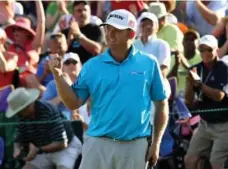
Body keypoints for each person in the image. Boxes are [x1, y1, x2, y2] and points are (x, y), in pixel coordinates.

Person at [49, 9, 169, 169]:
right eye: (107, 29)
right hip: (97, 144)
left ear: (131, 34)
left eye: (117, 30)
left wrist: (156, 143)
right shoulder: (92, 65)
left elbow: (161, 104)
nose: (110, 34)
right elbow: (73, 102)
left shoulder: (149, 63)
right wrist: (58, 76)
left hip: (135, 145)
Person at [6, 87, 82, 169]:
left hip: (66, 147)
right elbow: (19, 137)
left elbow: (62, 143)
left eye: (20, 110)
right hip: (42, 151)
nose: (18, 113)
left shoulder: (49, 110)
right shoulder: (21, 116)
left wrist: (38, 150)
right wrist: (17, 149)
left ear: (29, 105)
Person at [184, 35, 228, 169]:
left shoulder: (225, 68)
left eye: (208, 49)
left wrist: (200, 85)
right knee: (190, 160)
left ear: (216, 50)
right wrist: (191, 85)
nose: (204, 53)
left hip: (224, 126)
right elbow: (188, 101)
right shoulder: (195, 69)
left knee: (216, 163)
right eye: (201, 49)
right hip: (204, 124)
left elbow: (219, 96)